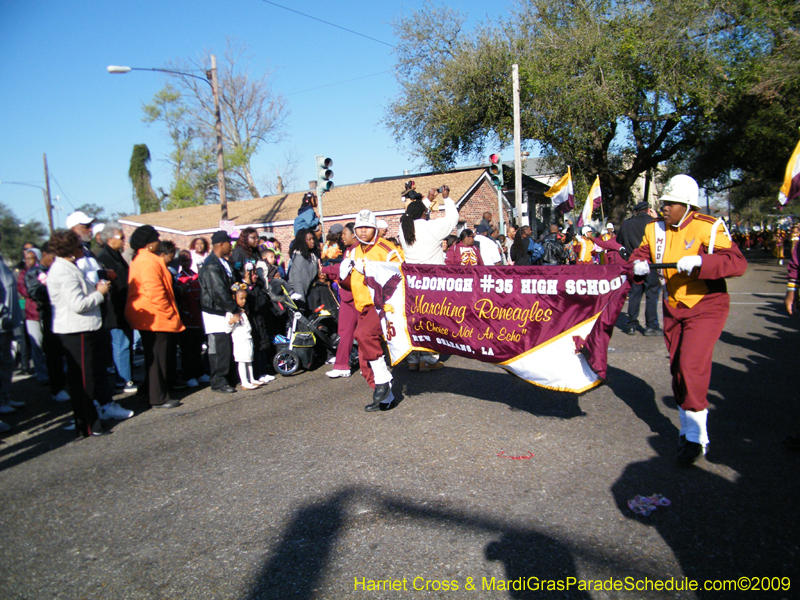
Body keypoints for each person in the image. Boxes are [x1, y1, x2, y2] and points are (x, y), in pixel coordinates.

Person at [630, 174, 747, 465]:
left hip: (706, 304)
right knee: (678, 369)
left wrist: (701, 262)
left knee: (690, 365)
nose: (664, 207)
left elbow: (737, 263)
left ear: (688, 205)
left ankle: (696, 439)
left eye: (671, 203)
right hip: (674, 305)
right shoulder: (654, 229)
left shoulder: (709, 226)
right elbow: (639, 255)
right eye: (664, 202)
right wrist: (638, 265)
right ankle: (688, 431)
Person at [45, 230, 114, 436]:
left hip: (80, 328)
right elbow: (78, 304)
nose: (83, 248)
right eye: (78, 245)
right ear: (71, 249)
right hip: (77, 329)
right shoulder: (63, 271)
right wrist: (99, 294)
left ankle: (88, 420)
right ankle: (87, 423)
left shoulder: (67, 267)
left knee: (84, 377)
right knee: (83, 380)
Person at [339, 209, 404, 412]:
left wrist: (368, 269)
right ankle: (386, 397)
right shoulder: (354, 251)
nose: (363, 231)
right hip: (363, 307)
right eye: (360, 227)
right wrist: (343, 276)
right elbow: (352, 284)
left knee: (363, 334)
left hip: (383, 306)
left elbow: (401, 272)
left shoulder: (386, 248)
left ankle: (384, 380)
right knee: (365, 355)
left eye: (368, 227)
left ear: (375, 228)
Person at [125, 226, 185, 409]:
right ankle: (159, 397)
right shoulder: (147, 261)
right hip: (155, 317)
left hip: (152, 316)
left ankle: (149, 391)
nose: (158, 241)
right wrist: (168, 312)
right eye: (156, 239)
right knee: (158, 358)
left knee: (155, 358)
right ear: (148, 243)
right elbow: (155, 291)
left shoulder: (144, 259)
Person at [398, 196, 459, 371]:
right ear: (424, 213)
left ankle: (413, 358)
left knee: (414, 320)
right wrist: (447, 199)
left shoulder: (404, 229)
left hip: (411, 282)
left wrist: (426, 200)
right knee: (431, 320)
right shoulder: (430, 227)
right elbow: (452, 220)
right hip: (432, 282)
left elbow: (412, 213)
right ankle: (428, 359)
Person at [25, 242, 69, 403]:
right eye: (53, 256)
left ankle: (64, 383)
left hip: (63, 314)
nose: (55, 259)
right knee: (53, 353)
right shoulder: (35, 272)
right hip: (48, 315)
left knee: (64, 352)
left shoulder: (55, 270)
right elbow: (35, 292)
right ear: (44, 254)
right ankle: (57, 388)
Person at [96, 223, 137, 394]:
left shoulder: (117, 256)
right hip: (114, 309)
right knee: (121, 345)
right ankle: (123, 380)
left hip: (124, 306)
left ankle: (128, 376)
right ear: (110, 239)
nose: (123, 241)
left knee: (126, 344)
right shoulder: (105, 258)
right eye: (121, 237)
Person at [199, 231, 239, 394]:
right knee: (219, 347)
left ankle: (228, 376)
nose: (231, 246)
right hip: (214, 312)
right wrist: (234, 308)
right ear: (221, 244)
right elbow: (219, 291)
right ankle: (218, 380)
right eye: (229, 243)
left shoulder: (222, 262)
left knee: (226, 347)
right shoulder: (211, 265)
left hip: (224, 310)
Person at [617, 201, 661, 335]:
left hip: (634, 262)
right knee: (651, 294)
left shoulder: (627, 224)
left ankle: (631, 323)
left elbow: (620, 241)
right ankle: (651, 325)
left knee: (635, 295)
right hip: (651, 263)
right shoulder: (654, 223)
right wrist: (657, 218)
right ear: (648, 210)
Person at [323, 223, 358, 378]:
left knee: (362, 333)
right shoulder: (349, 251)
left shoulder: (358, 251)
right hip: (347, 298)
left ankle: (367, 363)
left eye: (345, 234)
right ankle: (342, 365)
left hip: (356, 297)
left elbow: (341, 270)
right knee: (345, 332)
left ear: (354, 234)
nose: (342, 237)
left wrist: (325, 270)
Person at [175, 250, 208, 387]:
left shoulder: (195, 276)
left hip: (197, 317)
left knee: (197, 347)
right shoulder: (179, 278)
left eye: (188, 260)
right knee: (187, 350)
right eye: (183, 260)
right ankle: (189, 374)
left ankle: (199, 373)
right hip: (187, 319)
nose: (186, 263)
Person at [0, 234, 23, 427]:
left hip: (7, 323)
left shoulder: (1, 261)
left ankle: (5, 398)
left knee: (7, 361)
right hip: (1, 321)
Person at [17, 247, 48, 384]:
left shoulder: (43, 271)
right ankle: (42, 375)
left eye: (31, 258)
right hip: (32, 313)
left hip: (45, 312)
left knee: (48, 344)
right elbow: (24, 289)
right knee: (37, 346)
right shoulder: (23, 274)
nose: (28, 261)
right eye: (26, 258)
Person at [225, 283, 264, 390]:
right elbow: (227, 329)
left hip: (248, 339)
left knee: (249, 360)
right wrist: (232, 321)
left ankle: (251, 379)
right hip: (240, 340)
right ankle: (244, 382)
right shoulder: (231, 313)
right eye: (241, 298)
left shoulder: (243, 311)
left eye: (245, 299)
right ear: (234, 297)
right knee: (242, 361)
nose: (244, 301)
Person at [288, 228, 320, 304]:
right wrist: (301, 302)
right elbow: (298, 282)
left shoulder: (313, 256)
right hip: (300, 296)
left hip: (310, 292)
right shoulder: (299, 258)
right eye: (308, 239)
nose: (312, 241)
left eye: (313, 238)